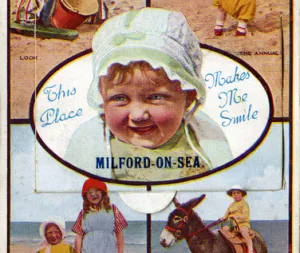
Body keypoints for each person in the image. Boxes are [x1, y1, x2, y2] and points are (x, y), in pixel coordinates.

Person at [64, 7, 233, 181]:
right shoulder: (88, 145)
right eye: (119, 98)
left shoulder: (207, 141)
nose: (138, 115)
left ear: (188, 96)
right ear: (102, 96)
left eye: (155, 97)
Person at [72, 178, 128, 253]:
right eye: (89, 192)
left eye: (97, 190)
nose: (93, 194)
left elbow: (119, 233)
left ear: (103, 193)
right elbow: (78, 236)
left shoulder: (113, 209)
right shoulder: (83, 213)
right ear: (85, 195)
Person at [220, 185, 254, 253]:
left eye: (238, 193)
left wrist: (237, 217)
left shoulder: (244, 204)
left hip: (242, 224)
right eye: (234, 193)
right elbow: (226, 215)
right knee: (222, 231)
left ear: (242, 194)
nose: (235, 195)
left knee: (244, 233)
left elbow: (245, 216)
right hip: (232, 225)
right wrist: (223, 218)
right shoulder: (231, 205)